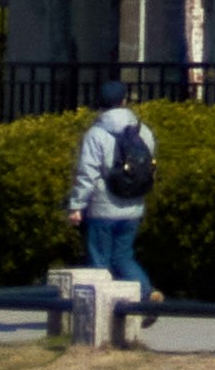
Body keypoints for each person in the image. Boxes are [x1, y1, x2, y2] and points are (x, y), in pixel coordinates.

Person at [66, 96, 155, 337]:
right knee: (123, 256)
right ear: (124, 101)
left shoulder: (96, 134)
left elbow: (87, 173)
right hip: (134, 206)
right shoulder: (143, 130)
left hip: (103, 208)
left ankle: (99, 320)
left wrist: (76, 206)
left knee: (100, 262)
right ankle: (147, 296)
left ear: (100, 104)